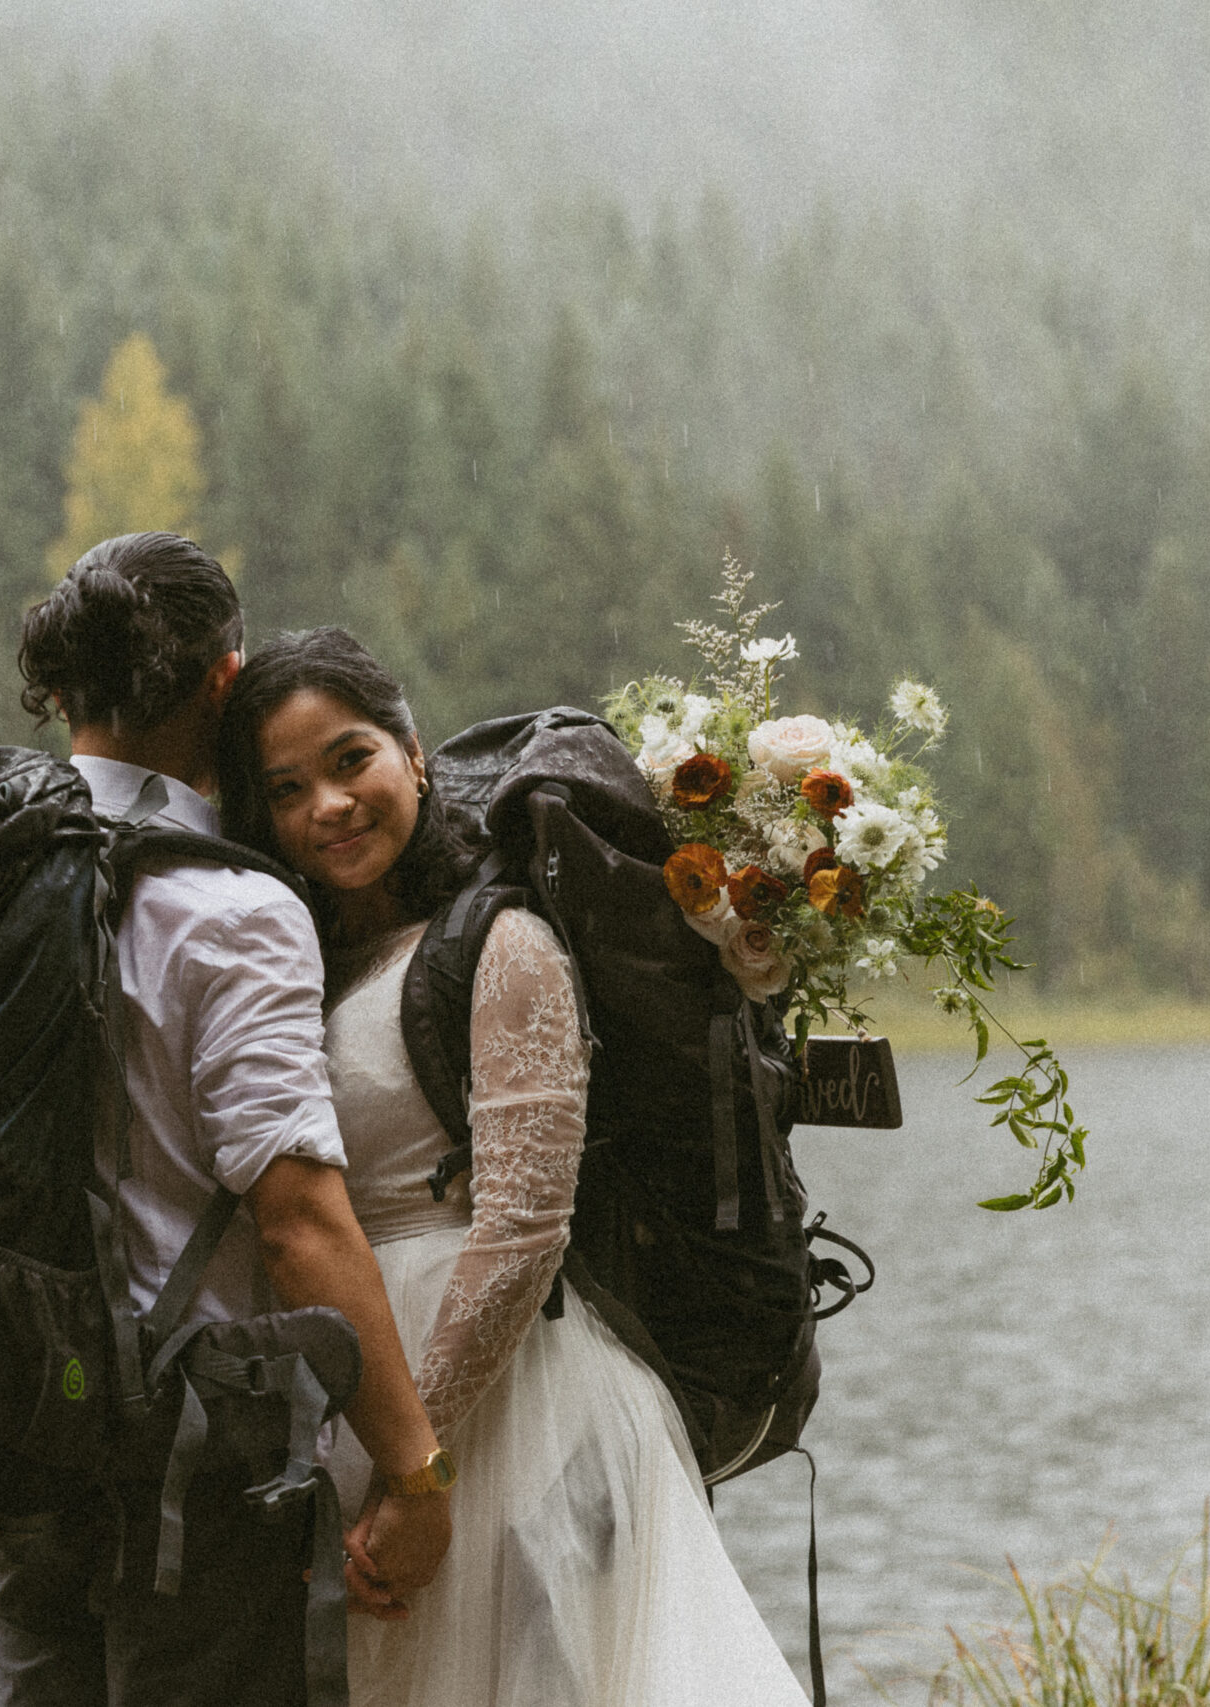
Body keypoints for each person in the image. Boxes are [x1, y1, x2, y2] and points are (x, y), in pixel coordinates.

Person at [214, 627, 809, 1707]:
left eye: (351, 762)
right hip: (364, 1409)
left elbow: (525, 1227)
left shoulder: (501, 943)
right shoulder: (297, 965)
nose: (329, 808)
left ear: (412, 750)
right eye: (287, 789)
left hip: (513, 1415)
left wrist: (417, 1464)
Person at [0, 538, 453, 1707]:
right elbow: (297, 1221)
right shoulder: (233, 907)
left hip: (11, 1424)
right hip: (194, 1449)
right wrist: (416, 1476)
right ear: (221, 682)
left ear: (59, 692)